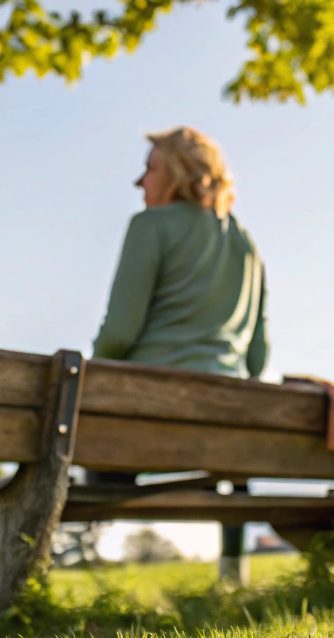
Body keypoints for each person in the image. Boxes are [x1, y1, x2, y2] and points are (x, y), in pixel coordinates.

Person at [90, 126, 269, 583]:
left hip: (146, 419)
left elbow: (119, 334)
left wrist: (92, 373)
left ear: (180, 174)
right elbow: (256, 358)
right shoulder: (247, 245)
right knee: (236, 459)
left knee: (83, 441)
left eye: (150, 169)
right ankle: (233, 575)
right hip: (226, 423)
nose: (139, 181)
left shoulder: (149, 226)